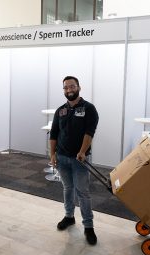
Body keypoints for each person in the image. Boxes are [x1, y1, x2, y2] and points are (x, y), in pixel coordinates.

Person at [49, 75, 99, 245]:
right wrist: (52, 154)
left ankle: (88, 226)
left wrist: (83, 151)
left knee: (83, 192)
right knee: (67, 188)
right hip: (62, 157)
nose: (69, 90)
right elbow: (54, 133)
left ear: (78, 87)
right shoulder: (60, 110)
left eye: (72, 86)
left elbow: (89, 132)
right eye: (66, 87)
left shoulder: (89, 108)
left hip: (80, 159)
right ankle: (69, 217)